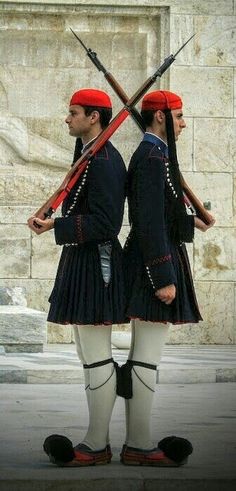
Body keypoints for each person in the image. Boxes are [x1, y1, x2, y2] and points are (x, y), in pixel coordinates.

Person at [28, 88, 127, 466]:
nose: (67, 119)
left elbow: (106, 222)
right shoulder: (89, 154)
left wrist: (57, 224)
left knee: (98, 356)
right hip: (81, 259)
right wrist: (55, 222)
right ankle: (95, 440)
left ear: (94, 117)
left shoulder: (104, 160)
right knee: (88, 355)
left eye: (73, 112)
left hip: (96, 262)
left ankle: (97, 443)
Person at [120, 90, 215, 466]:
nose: (184, 123)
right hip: (153, 263)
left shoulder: (157, 154)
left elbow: (163, 208)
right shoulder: (151, 156)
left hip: (158, 258)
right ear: (160, 118)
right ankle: (139, 445)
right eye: (179, 116)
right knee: (146, 357)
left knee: (145, 355)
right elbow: (148, 222)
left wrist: (192, 219)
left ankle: (136, 441)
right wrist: (162, 276)